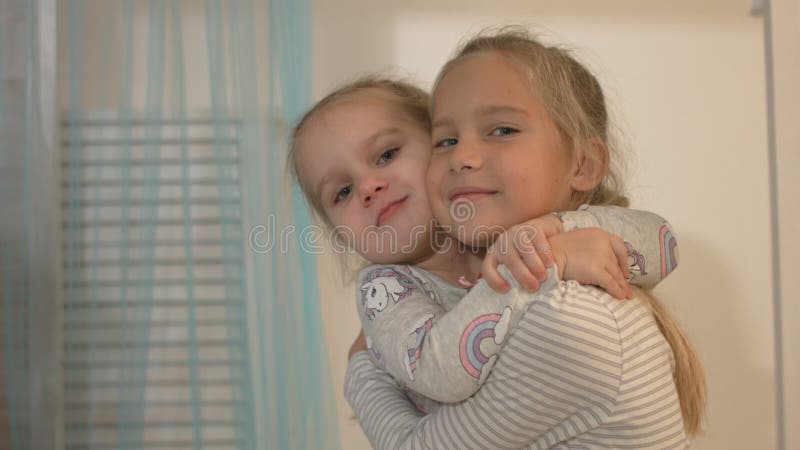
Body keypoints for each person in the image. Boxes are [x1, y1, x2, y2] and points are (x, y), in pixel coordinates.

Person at [342, 28, 705, 449]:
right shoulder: (529, 291)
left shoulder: (568, 320)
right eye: (445, 140)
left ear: (583, 165)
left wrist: (360, 367)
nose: (463, 156)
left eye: (502, 130)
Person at [289, 76, 674, 406]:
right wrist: (536, 268)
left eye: (386, 154)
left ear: (445, 150)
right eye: (341, 192)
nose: (368, 187)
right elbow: (442, 372)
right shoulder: (385, 291)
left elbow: (663, 246)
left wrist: (550, 234)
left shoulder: (505, 227)